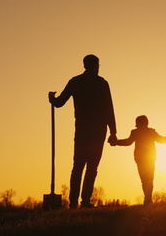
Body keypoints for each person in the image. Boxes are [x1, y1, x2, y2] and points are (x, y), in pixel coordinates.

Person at [48, 54, 117, 208]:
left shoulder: (76, 81)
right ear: (95, 65)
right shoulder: (101, 83)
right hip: (98, 129)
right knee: (92, 166)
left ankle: (73, 202)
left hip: (82, 128)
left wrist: (52, 98)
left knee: (78, 165)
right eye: (98, 65)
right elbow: (109, 108)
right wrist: (113, 132)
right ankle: (84, 201)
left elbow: (59, 103)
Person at [110, 115, 166, 205]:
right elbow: (161, 140)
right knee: (149, 179)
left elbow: (128, 142)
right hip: (148, 158)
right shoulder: (150, 132)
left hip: (141, 159)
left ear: (137, 124)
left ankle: (147, 199)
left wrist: (116, 142)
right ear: (146, 123)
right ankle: (148, 199)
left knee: (144, 180)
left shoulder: (136, 132)